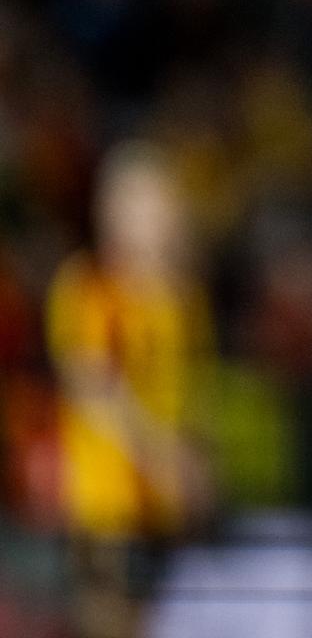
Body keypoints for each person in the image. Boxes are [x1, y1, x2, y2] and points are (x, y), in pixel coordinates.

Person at [45, 141, 215, 638]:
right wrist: (162, 453)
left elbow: (192, 389)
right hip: (106, 503)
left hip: (166, 508)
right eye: (145, 204)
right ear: (113, 212)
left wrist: (199, 459)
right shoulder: (90, 285)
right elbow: (92, 387)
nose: (159, 218)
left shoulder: (183, 297)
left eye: (165, 203)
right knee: (108, 619)